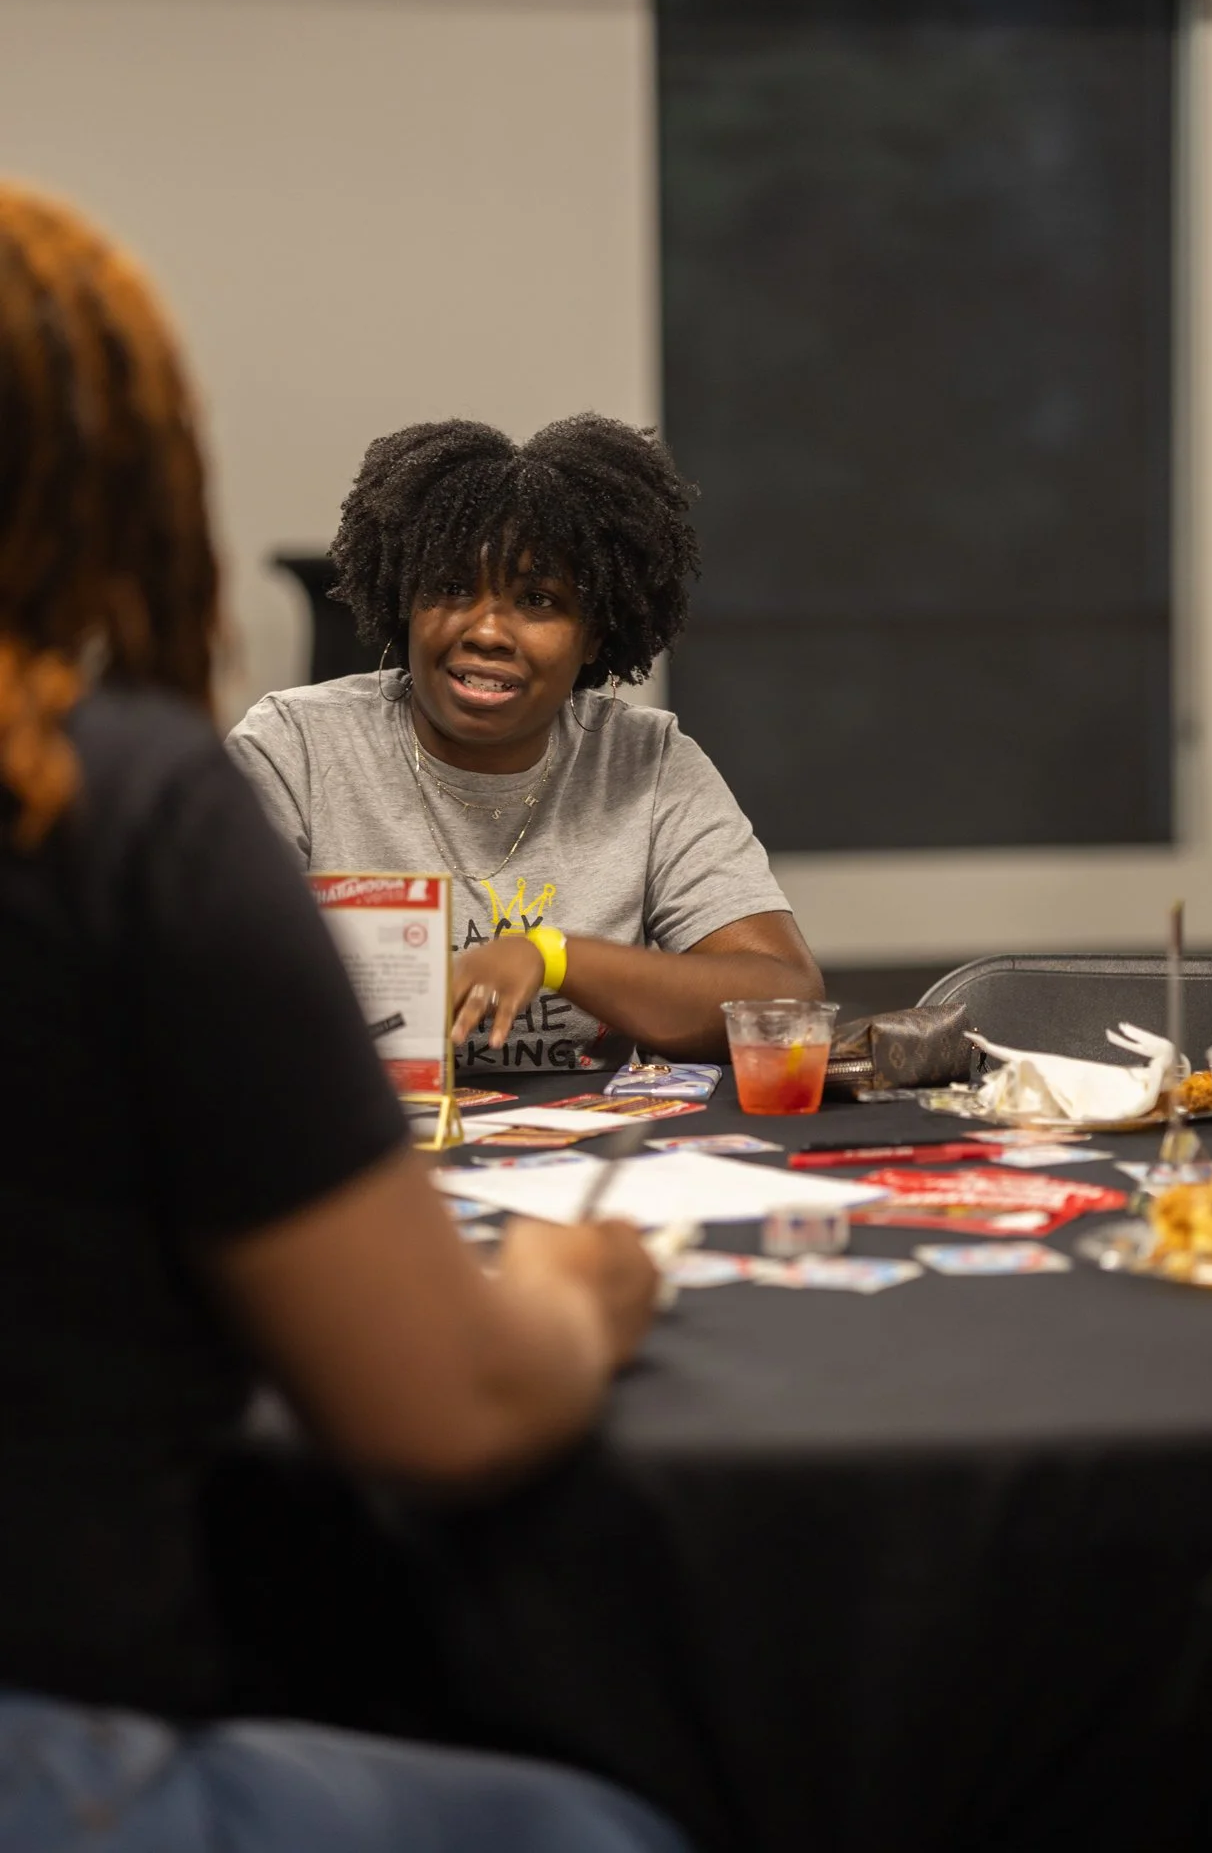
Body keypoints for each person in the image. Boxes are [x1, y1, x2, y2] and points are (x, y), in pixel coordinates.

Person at [0, 182, 685, 1853]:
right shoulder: (118, 804)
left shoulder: (651, 760)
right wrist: (573, 1291)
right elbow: (436, 1410)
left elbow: (779, 974)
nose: (489, 630)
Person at [227, 415, 822, 1074]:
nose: (486, 631)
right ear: (406, 602)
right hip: (358, 1149)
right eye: (451, 588)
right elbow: (199, 985)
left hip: (584, 1165)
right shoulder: (295, 749)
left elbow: (783, 1000)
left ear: (594, 635)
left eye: (538, 599)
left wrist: (552, 956)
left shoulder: (644, 762)